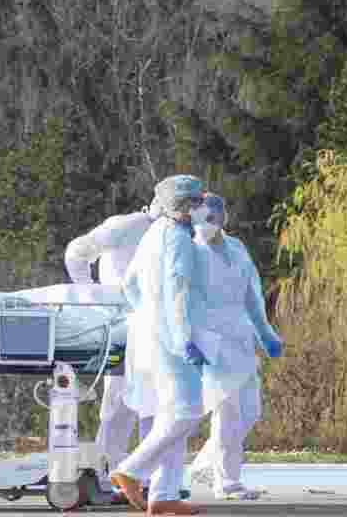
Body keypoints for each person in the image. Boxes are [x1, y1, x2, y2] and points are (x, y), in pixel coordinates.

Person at [109, 173, 214, 516]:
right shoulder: (180, 241)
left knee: (168, 416)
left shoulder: (154, 232)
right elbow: (180, 294)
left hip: (149, 333)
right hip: (173, 337)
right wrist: (185, 340)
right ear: (184, 206)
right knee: (186, 411)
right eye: (198, 201)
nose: (203, 206)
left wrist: (147, 314)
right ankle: (132, 470)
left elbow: (129, 284)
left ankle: (163, 495)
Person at [186, 193, 283, 500]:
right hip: (211, 339)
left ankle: (205, 465)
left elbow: (251, 295)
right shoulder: (190, 252)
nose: (209, 224)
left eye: (214, 218)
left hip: (240, 336)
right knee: (226, 411)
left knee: (250, 412)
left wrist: (265, 332)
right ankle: (227, 482)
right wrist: (188, 339)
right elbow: (182, 300)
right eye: (204, 218)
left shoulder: (237, 248)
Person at [64, 208, 160, 500]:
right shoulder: (125, 226)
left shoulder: (173, 233)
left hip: (155, 326)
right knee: (120, 403)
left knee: (156, 405)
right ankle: (108, 474)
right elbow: (77, 252)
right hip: (120, 325)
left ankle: (149, 477)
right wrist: (91, 295)